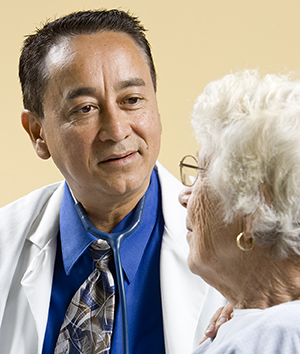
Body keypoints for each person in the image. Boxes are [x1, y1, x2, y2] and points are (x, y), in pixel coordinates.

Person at [0, 9, 225, 354]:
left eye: (132, 100)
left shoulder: (242, 251)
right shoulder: (5, 242)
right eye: (85, 109)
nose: (117, 130)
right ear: (37, 132)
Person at [179, 69, 300, 353]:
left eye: (200, 173)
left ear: (253, 214)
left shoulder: (271, 337)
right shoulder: (258, 328)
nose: (185, 195)